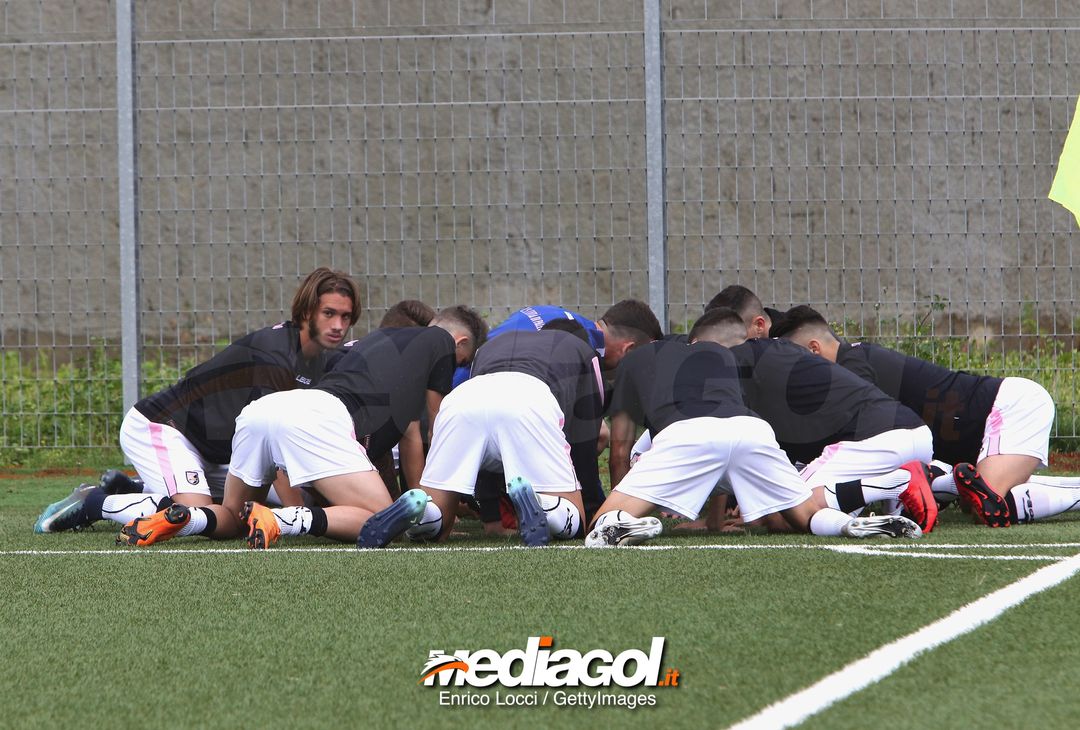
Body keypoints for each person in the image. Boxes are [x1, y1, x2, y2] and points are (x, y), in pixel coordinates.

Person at [121, 306, 488, 548]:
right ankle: (284, 519)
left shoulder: (373, 346)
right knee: (383, 517)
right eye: (462, 361)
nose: (455, 367)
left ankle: (187, 519)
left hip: (264, 411)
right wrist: (442, 507)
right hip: (319, 417)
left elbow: (389, 449)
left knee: (232, 517)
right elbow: (437, 429)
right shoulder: (440, 341)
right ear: (460, 343)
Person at [33, 267, 361, 537]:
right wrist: (295, 517)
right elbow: (273, 450)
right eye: (329, 314)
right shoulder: (275, 358)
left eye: (346, 317)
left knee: (245, 508)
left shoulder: (317, 357)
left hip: (213, 451)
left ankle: (133, 488)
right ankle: (95, 502)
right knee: (195, 514)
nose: (338, 326)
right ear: (306, 312)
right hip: (162, 428)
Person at [587, 307, 923, 546]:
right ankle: (850, 525)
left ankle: (619, 523)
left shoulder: (636, 361)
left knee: (597, 526)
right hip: (752, 431)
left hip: (688, 434)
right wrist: (716, 522)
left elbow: (619, 451)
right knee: (803, 515)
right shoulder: (723, 357)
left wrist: (620, 498)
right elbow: (723, 439)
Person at [771, 304, 1063, 528]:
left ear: (814, 349)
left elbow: (860, 443)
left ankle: (938, 478)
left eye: (796, 362)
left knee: (987, 503)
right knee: (980, 499)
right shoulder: (855, 363)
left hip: (1011, 406)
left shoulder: (852, 367)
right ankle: (942, 479)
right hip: (984, 431)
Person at [357, 327, 606, 548]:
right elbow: (584, 442)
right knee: (575, 516)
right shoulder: (585, 352)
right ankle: (543, 505)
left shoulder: (494, 342)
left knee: (437, 518)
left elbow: (482, 447)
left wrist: (491, 518)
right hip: (528, 397)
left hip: (462, 400)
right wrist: (592, 509)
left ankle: (419, 514)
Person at [694, 315, 939, 533]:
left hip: (875, 440)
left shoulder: (735, 363)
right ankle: (943, 479)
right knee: (823, 518)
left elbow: (728, 437)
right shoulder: (783, 353)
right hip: (913, 434)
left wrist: (716, 521)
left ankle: (897, 484)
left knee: (791, 515)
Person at [461, 300, 664, 529]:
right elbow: (582, 444)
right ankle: (539, 502)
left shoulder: (568, 321)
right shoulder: (584, 346)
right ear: (629, 349)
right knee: (586, 438)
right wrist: (593, 506)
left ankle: (482, 512)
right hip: (515, 402)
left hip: (466, 396)